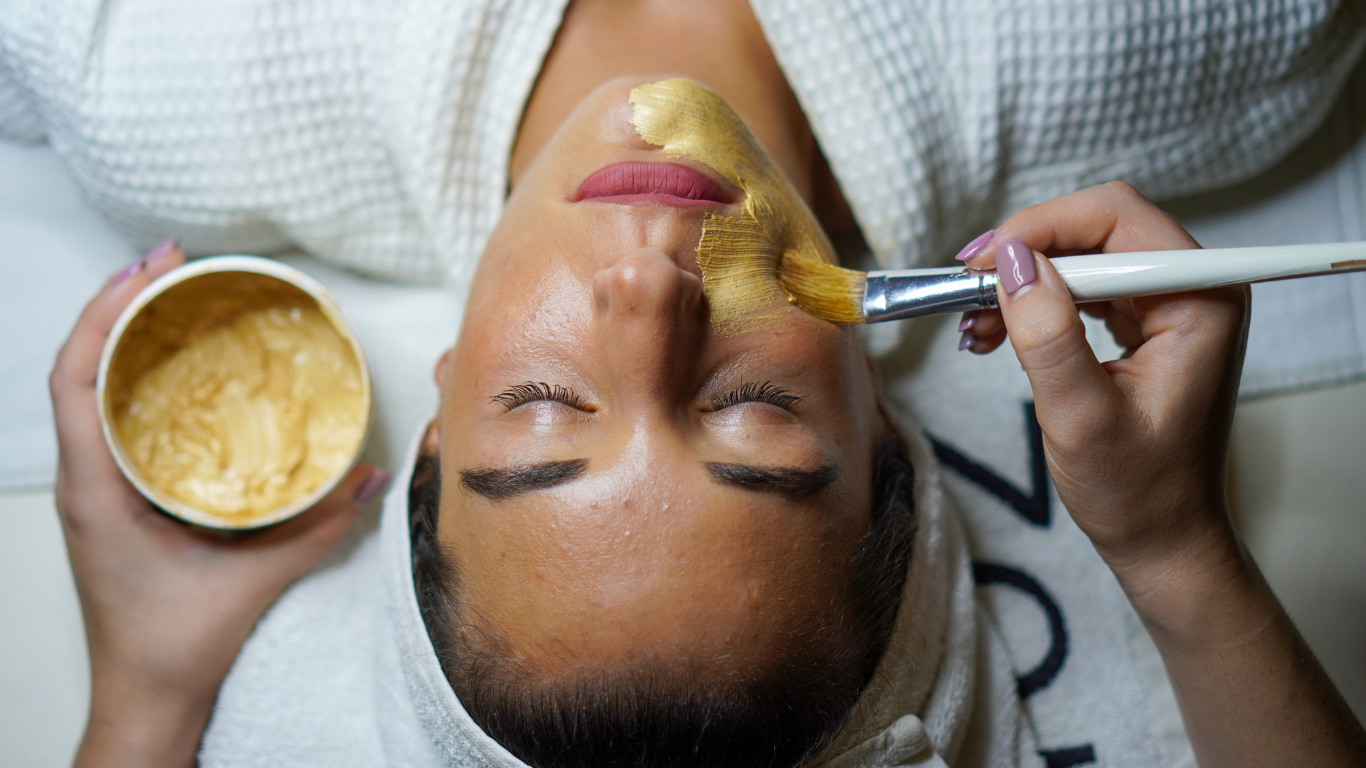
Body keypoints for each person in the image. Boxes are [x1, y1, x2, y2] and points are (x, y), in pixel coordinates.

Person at [16, 1, 1366, 766]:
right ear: (876, 406)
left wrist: (140, 687)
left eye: (544, 401)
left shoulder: (132, 65)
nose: (652, 300)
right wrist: (1174, 549)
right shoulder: (1208, 31)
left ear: (437, 408)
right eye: (752, 411)